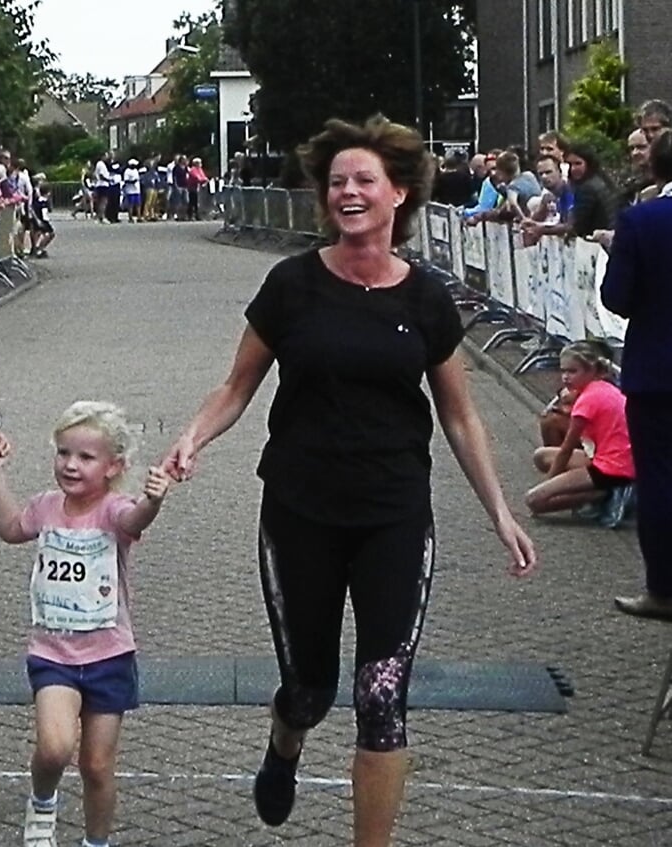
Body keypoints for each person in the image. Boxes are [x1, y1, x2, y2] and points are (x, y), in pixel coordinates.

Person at [162, 115, 536, 847]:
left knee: (381, 695)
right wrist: (192, 435)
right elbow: (237, 386)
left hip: (392, 511)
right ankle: (285, 739)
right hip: (300, 506)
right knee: (310, 688)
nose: (348, 192)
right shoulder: (291, 285)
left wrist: (499, 509)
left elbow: (459, 417)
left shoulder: (426, 298)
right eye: (337, 182)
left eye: (364, 180)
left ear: (397, 193)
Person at [0, 402, 174, 847]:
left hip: (109, 656)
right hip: (54, 655)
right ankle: (43, 802)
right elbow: (10, 528)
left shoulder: (114, 510)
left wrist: (153, 500)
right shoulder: (46, 507)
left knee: (98, 766)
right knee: (54, 747)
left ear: (113, 466)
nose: (70, 464)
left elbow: (134, 519)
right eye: (64, 453)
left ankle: (95, 841)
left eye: (85, 457)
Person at [602, 131, 672, 621]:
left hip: (658, 375)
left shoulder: (642, 221)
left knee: (661, 482)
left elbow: (616, 299)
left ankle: (662, 591)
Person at [525, 342, 635, 527]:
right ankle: (594, 491)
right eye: (563, 371)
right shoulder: (602, 387)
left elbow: (566, 449)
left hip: (612, 468)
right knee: (541, 456)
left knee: (534, 500)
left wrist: (549, 483)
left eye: (572, 371)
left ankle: (604, 494)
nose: (565, 377)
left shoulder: (587, 400)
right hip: (608, 457)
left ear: (590, 370)